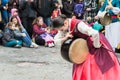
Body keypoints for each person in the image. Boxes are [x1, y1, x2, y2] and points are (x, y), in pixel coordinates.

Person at [52, 14, 120, 80]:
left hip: (94, 41)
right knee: (80, 64)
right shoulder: (64, 26)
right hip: (82, 48)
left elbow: (95, 33)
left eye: (61, 29)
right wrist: (65, 38)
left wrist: (96, 45)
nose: (61, 31)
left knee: (96, 66)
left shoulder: (79, 25)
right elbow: (55, 41)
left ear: (65, 23)